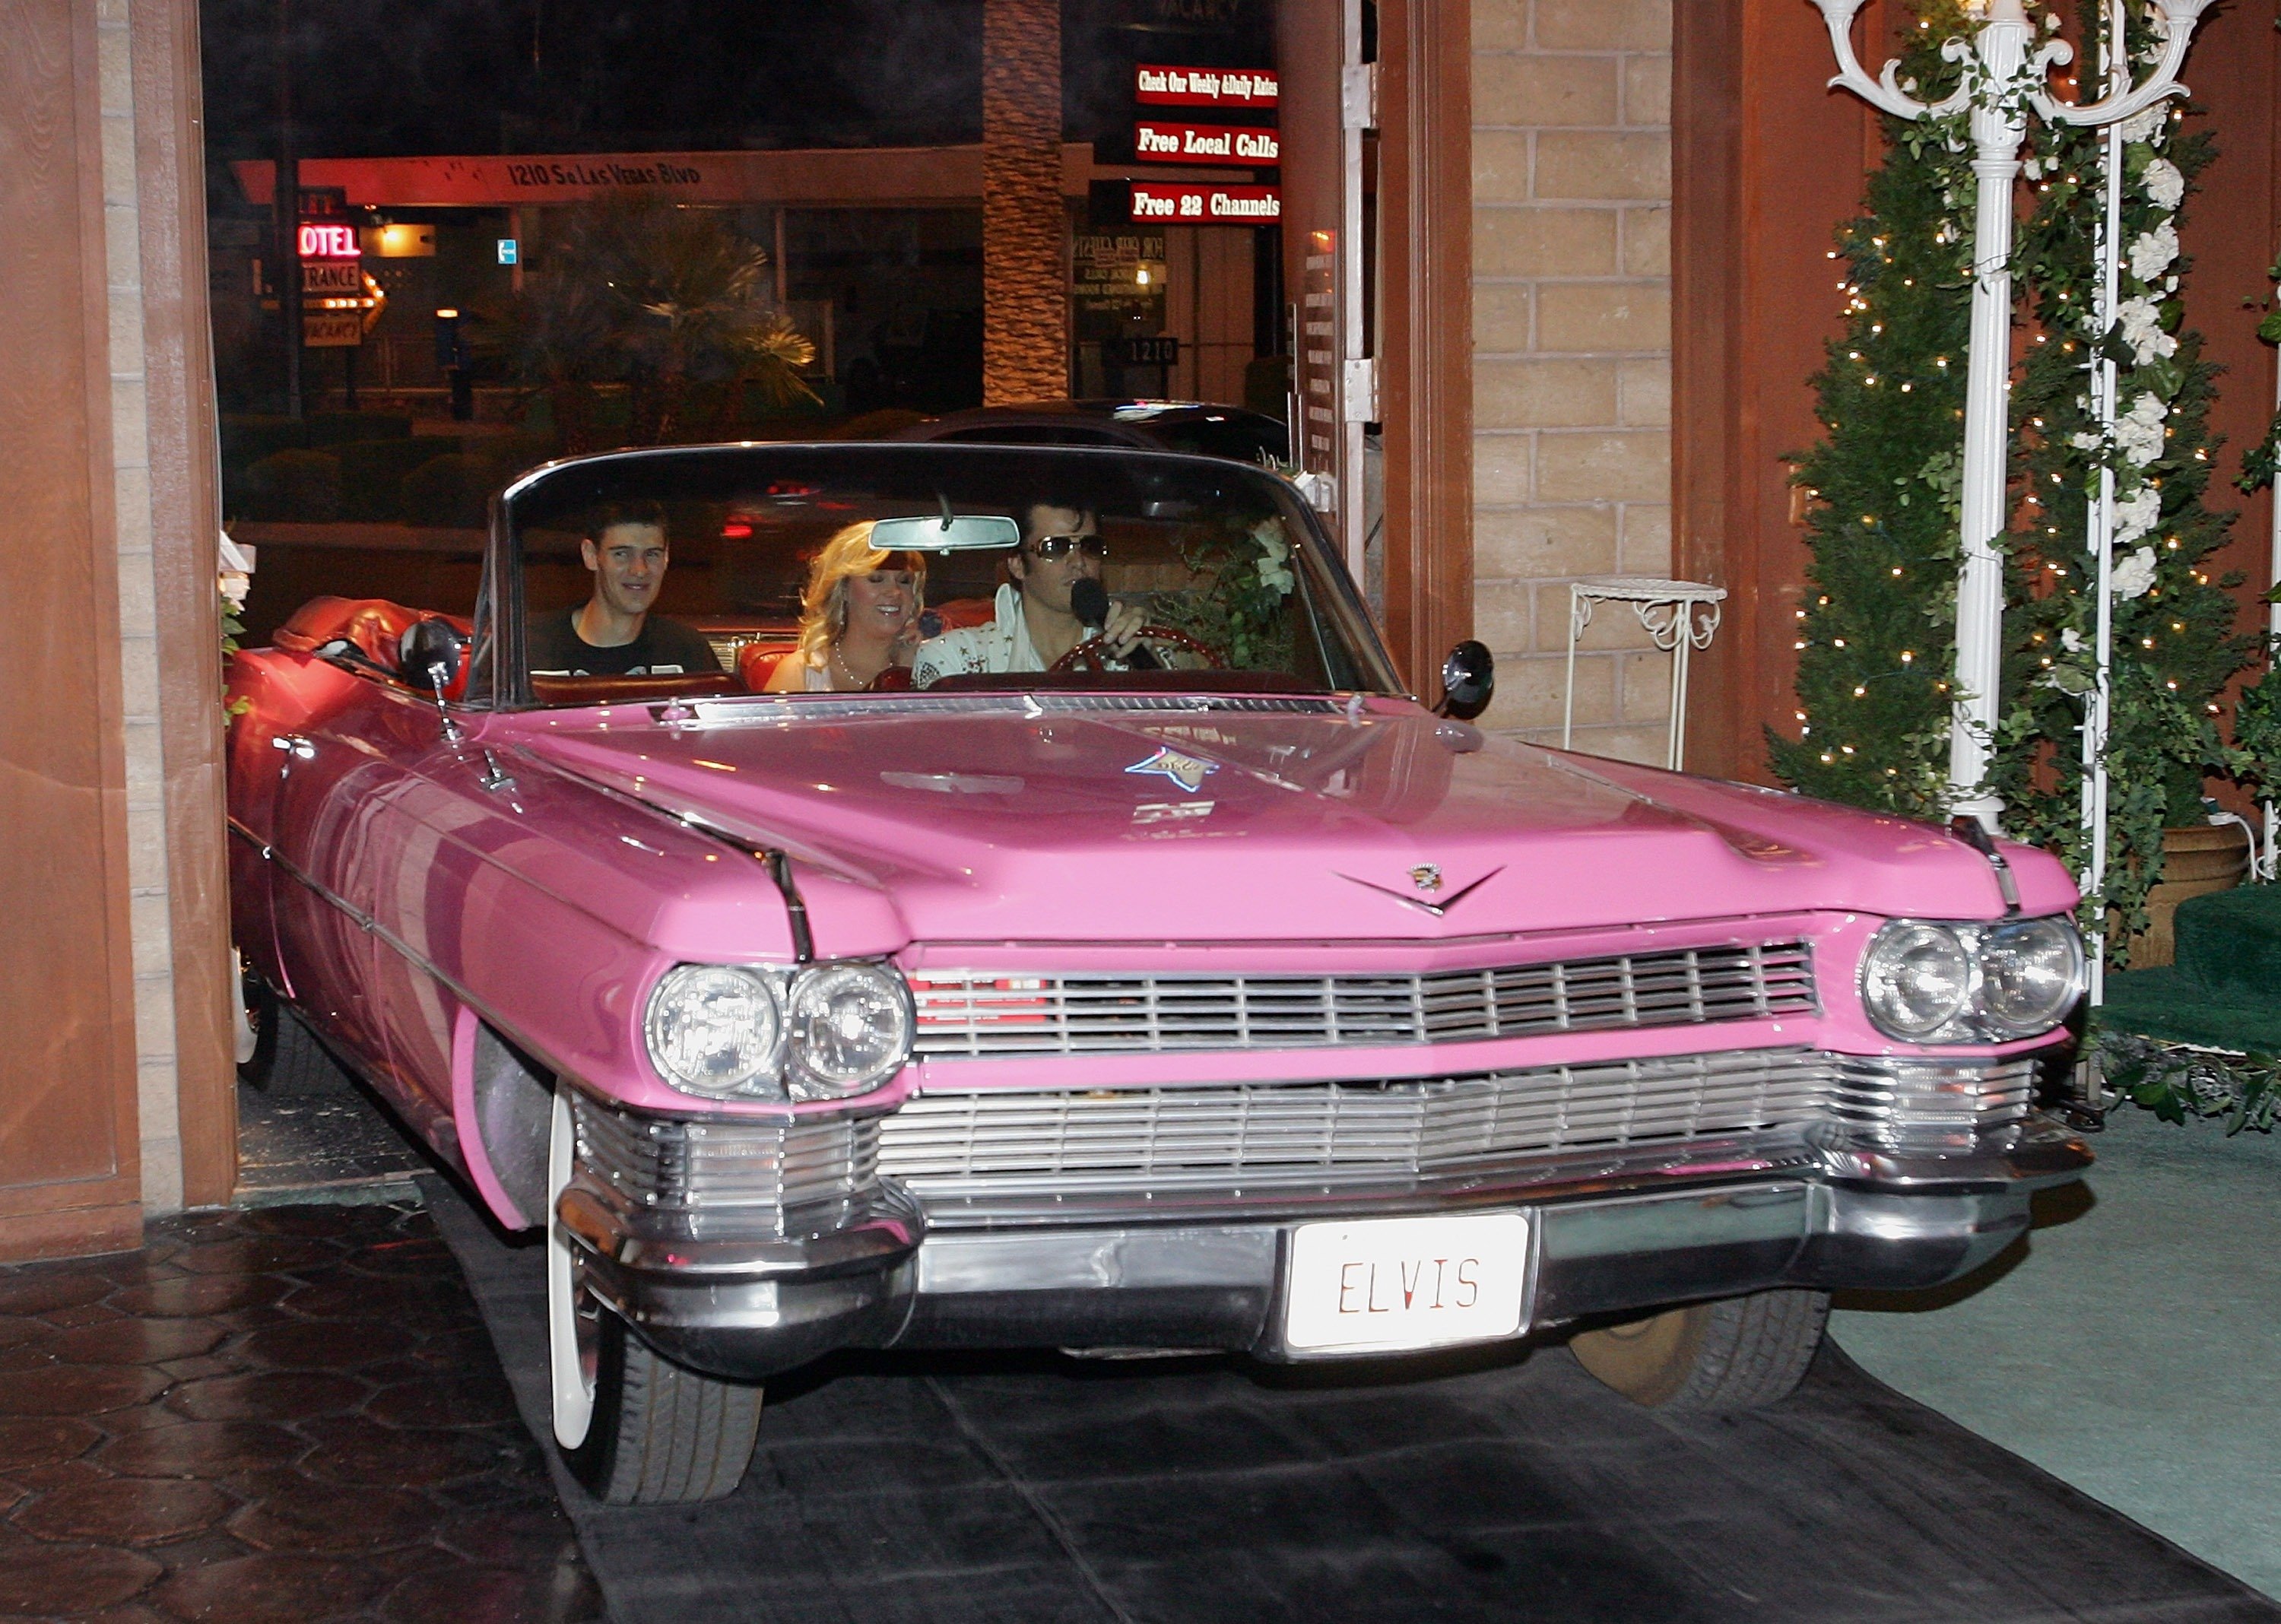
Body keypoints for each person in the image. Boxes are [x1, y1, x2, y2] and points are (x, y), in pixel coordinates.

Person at [911, 501, 1147, 687]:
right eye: (1055, 547)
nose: (1078, 562)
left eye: (1089, 546)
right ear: (1017, 565)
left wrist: (1146, 660)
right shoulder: (958, 661)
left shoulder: (1125, 656)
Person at [526, 500, 723, 677]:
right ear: (591, 555)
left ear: (666, 558)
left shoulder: (686, 650)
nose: (639, 570)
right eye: (621, 554)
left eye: (652, 554)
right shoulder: (530, 646)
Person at [765, 521, 927, 691]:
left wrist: (913, 671)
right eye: (876, 579)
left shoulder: (933, 666)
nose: (895, 591)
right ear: (842, 589)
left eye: (904, 581)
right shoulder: (801, 673)